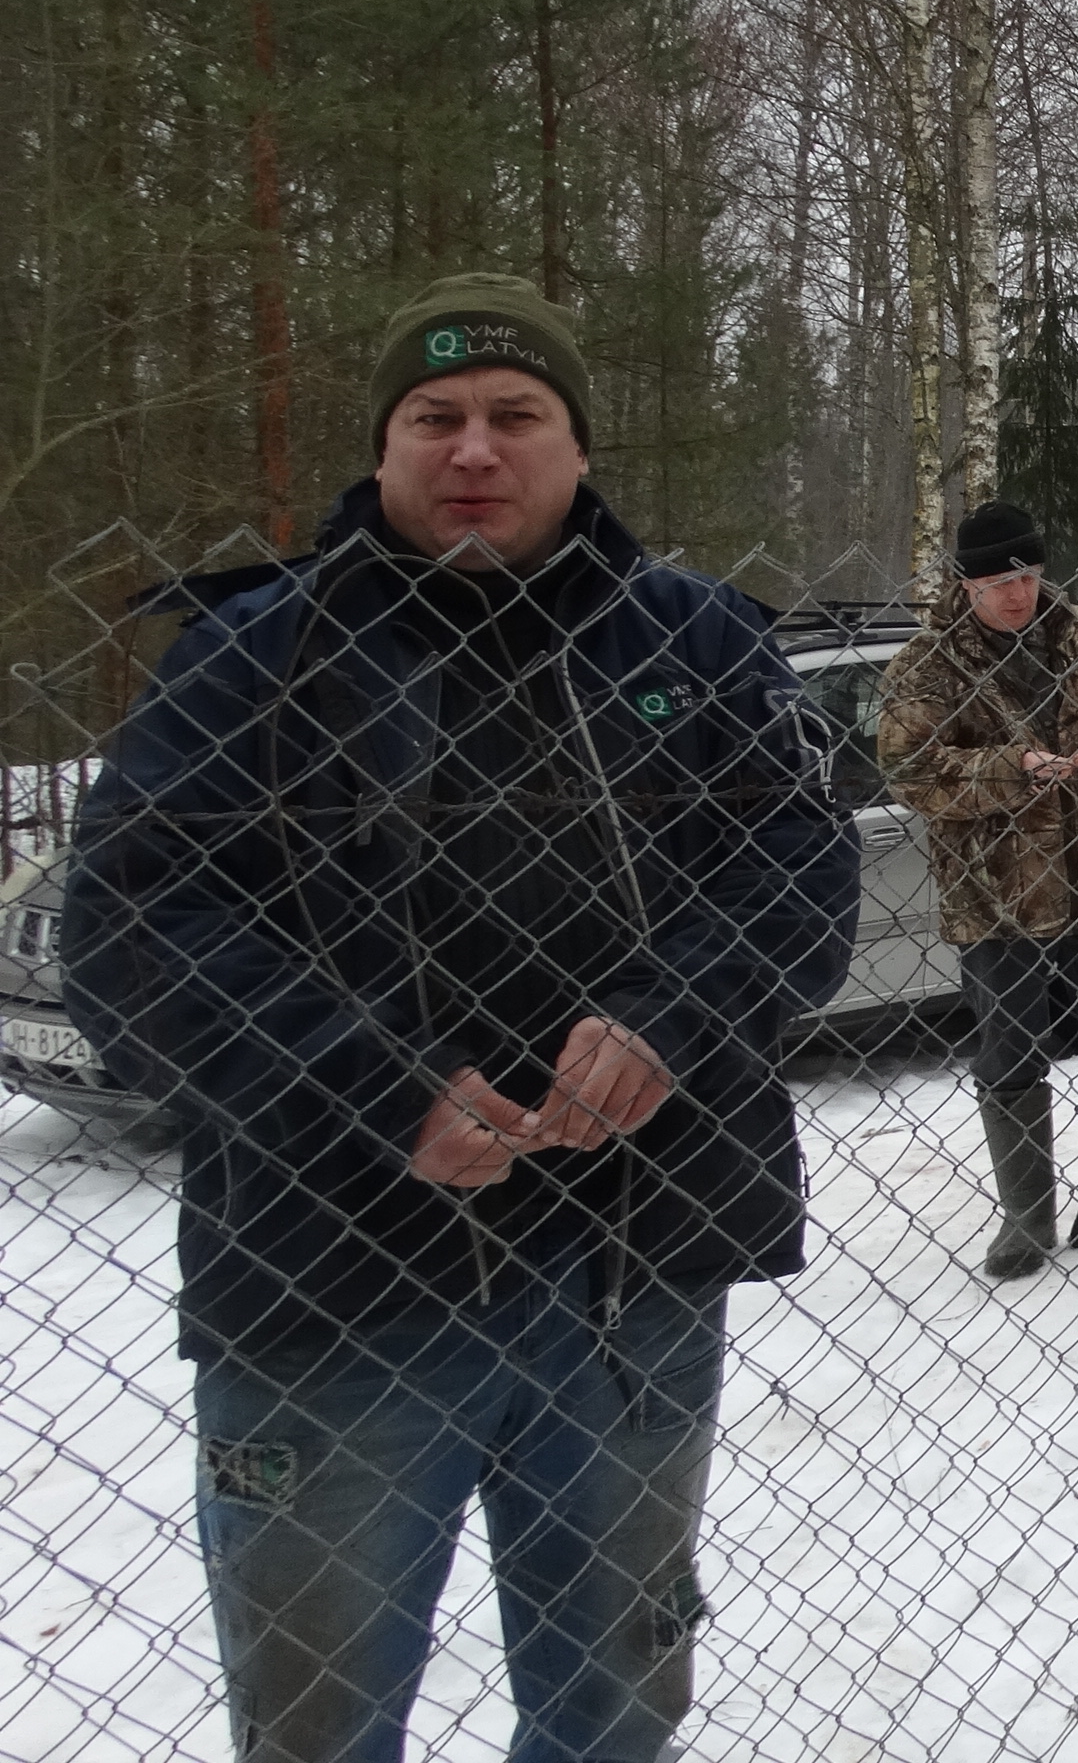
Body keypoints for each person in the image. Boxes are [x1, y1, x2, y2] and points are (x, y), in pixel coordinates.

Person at [65, 271, 859, 1763]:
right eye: (434, 418)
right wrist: (376, 1092)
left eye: (515, 414)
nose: (475, 449)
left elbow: (797, 877)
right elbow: (130, 932)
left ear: (578, 445)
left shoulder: (696, 644)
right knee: (315, 1730)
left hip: (629, 1280)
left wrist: (670, 1021)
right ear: (384, 447)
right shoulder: (253, 660)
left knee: (616, 1708)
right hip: (334, 1291)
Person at [878, 501, 1078, 1278]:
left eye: (1026, 575)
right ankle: (1026, 1219)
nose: (1017, 593)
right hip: (997, 894)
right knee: (1011, 1050)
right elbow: (908, 770)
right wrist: (1010, 770)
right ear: (966, 584)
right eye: (998, 582)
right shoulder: (926, 664)